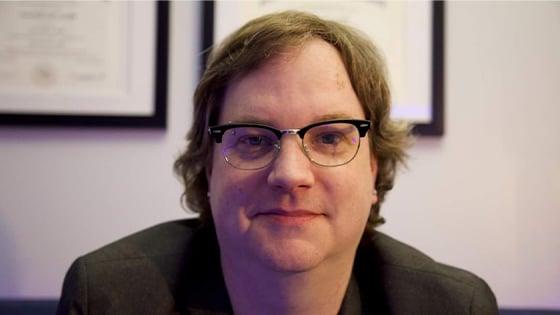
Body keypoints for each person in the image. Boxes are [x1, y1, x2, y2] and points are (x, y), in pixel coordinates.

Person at [57, 11, 498, 314]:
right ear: (209, 166)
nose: (289, 174)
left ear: (373, 169)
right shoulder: (110, 297)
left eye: (328, 137)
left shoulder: (453, 305)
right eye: (252, 139)